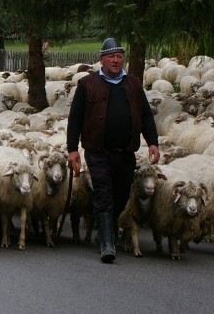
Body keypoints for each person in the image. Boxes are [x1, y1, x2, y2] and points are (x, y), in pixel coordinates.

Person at [66, 37, 159, 263]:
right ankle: (107, 244)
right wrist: (72, 149)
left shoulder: (134, 85)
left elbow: (146, 115)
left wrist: (153, 142)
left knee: (121, 194)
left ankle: (104, 228)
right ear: (102, 60)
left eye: (119, 57)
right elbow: (75, 118)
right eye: (111, 57)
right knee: (104, 192)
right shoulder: (88, 85)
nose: (116, 61)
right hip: (98, 151)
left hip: (125, 152)